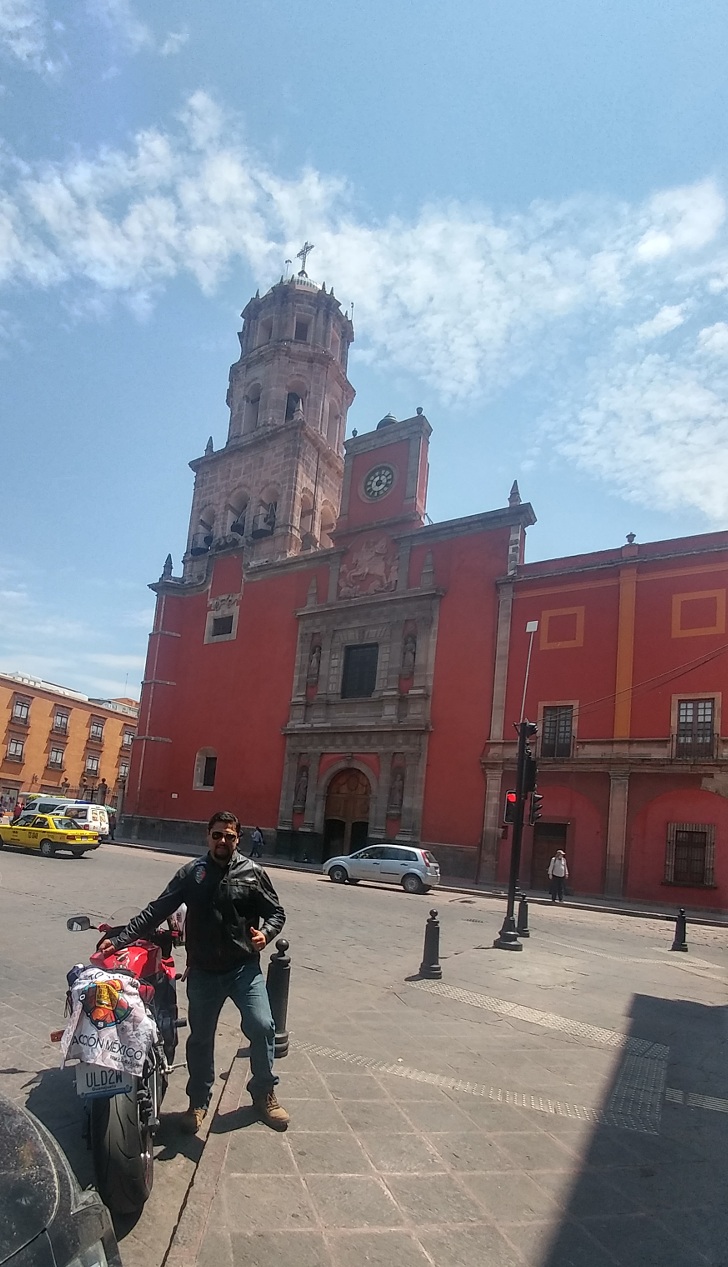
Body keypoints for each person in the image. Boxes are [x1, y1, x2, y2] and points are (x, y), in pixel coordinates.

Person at [97, 810, 288, 1134]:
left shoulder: (253, 873)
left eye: (229, 835)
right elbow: (157, 910)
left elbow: (276, 912)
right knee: (200, 1040)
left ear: (238, 838)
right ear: (208, 837)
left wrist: (266, 934)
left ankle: (263, 1092)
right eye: (217, 835)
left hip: (243, 969)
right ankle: (198, 1102)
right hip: (202, 973)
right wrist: (119, 940)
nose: (223, 841)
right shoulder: (192, 873)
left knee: (262, 1025)